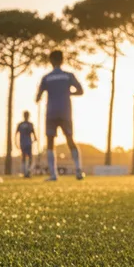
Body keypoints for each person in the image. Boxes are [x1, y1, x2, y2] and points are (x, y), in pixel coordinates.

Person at [35, 51, 86, 181]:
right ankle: (78, 171)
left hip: (51, 112)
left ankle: (53, 175)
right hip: (65, 111)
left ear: (51, 61)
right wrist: (69, 93)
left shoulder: (46, 77)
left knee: (50, 142)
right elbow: (80, 91)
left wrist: (41, 96)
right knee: (70, 139)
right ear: (62, 60)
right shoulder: (68, 76)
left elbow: (38, 96)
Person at [15, 112, 36, 177]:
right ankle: (27, 171)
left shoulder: (21, 124)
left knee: (25, 157)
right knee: (29, 157)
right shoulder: (29, 124)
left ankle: (26, 171)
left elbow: (16, 134)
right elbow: (34, 135)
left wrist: (16, 143)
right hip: (27, 143)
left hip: (24, 143)